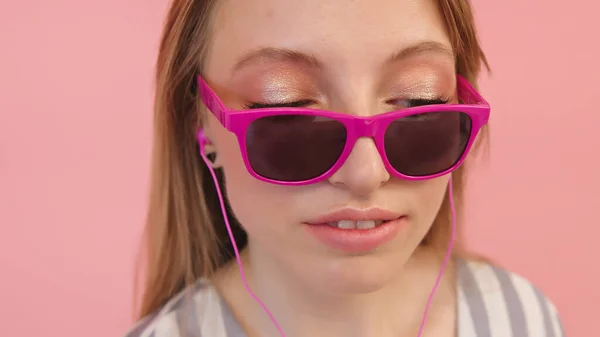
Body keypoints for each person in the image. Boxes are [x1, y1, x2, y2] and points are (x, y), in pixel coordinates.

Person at [124, 0, 565, 336]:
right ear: (199, 121)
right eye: (288, 106)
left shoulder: (522, 317)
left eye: (419, 101)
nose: (365, 173)